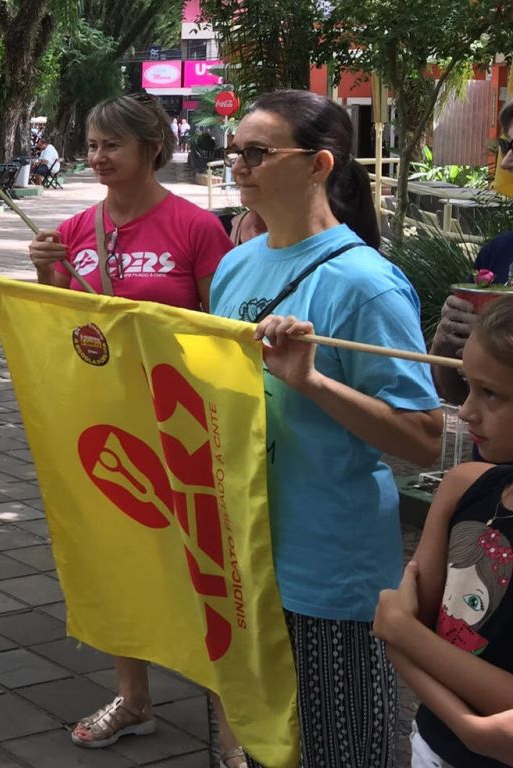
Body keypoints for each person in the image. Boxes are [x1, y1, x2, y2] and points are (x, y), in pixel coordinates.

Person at [209, 89, 443, 767]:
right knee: (253, 741)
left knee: (338, 749)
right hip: (241, 548)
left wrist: (311, 380)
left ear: (317, 164)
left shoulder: (365, 283)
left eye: (257, 152)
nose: (239, 165)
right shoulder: (236, 264)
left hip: (327, 566)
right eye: (235, 150)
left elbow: (423, 437)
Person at [26, 93, 239, 755]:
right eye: (90, 145)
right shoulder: (74, 230)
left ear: (152, 149)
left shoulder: (196, 228)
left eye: (110, 145)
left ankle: (232, 719)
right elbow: (69, 332)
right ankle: (134, 696)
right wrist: (48, 278)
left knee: (206, 566)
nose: (96, 158)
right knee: (115, 559)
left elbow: (221, 331)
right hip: (104, 430)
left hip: (183, 430)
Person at [373, 295, 513, 768]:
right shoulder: (463, 487)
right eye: (468, 387)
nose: (467, 412)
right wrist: (403, 634)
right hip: (430, 746)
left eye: (491, 394)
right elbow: (407, 629)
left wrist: (402, 633)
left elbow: (399, 627)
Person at [430, 100, 513, 368]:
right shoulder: (497, 251)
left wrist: (496, 342)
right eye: (506, 146)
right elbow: (458, 396)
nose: (506, 163)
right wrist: (443, 344)